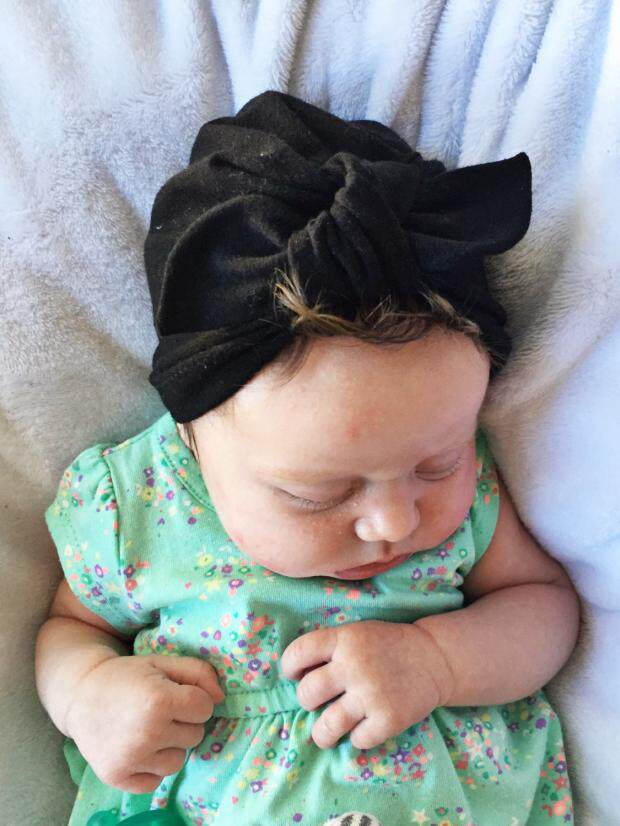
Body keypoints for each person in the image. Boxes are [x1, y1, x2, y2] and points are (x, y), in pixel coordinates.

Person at [35, 91, 580, 826]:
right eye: (319, 494)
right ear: (192, 431)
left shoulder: (464, 487)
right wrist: (87, 694)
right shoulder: (135, 505)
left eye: (438, 465)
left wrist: (440, 662)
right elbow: (71, 628)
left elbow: (544, 607)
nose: (394, 522)